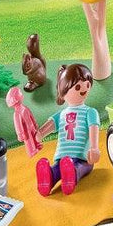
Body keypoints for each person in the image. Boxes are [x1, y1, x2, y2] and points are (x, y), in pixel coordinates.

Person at [35, 63, 100, 196]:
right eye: (78, 87)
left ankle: (72, 176)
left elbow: (94, 128)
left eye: (87, 85)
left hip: (83, 158)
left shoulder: (90, 112)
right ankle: (48, 178)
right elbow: (47, 127)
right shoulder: (61, 115)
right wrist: (39, 134)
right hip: (62, 157)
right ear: (63, 92)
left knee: (77, 168)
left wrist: (94, 148)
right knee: (58, 168)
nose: (84, 89)